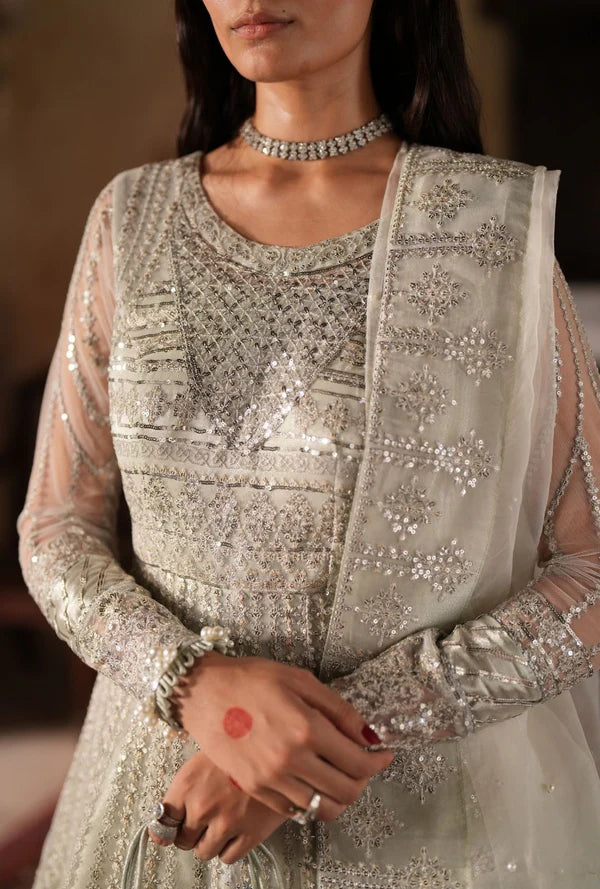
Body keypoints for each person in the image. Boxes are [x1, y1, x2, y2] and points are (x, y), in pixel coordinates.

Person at [16, 1, 600, 887]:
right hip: (166, 803)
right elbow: (56, 528)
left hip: (417, 818)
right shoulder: (130, 220)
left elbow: (589, 566)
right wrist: (196, 685)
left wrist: (328, 737)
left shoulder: (486, 227)